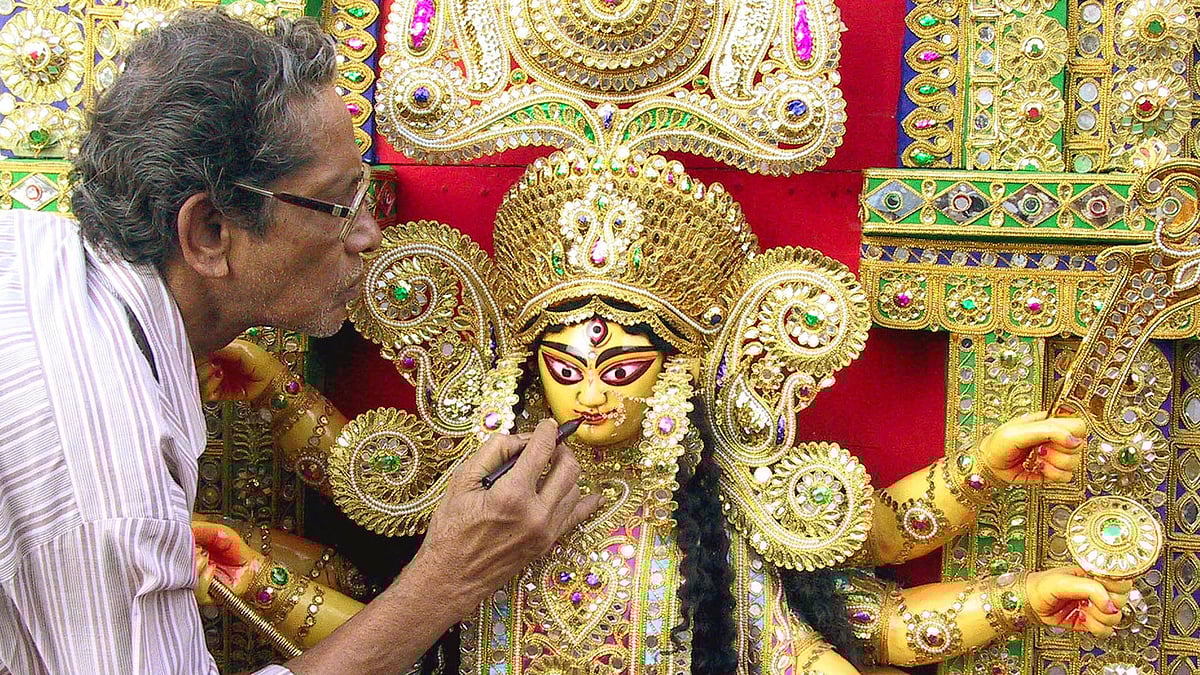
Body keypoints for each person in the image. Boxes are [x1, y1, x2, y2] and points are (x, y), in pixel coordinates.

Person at [199, 147, 1133, 673]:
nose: (591, 390)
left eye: (622, 365)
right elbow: (374, 572)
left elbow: (873, 596)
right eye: (565, 365)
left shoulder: (707, 524)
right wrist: (258, 563)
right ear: (527, 370)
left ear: (679, 372)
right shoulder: (485, 504)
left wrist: (1008, 553)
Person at [0, 10, 599, 674]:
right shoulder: (105, 469)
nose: (369, 235)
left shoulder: (32, 253)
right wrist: (448, 578)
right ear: (209, 233)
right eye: (338, 205)